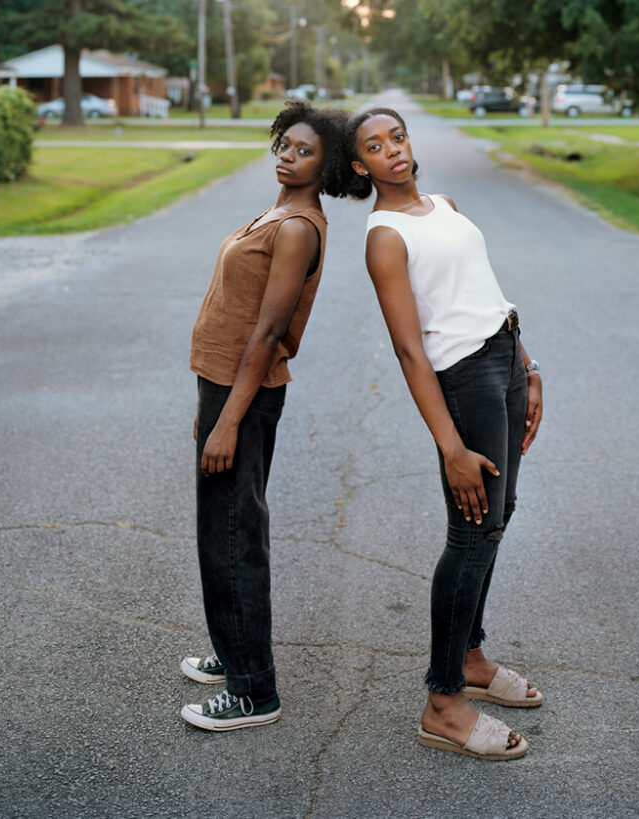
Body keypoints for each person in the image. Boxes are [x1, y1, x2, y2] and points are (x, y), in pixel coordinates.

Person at [341, 107, 544, 760]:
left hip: (505, 359)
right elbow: (409, 350)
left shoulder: (444, 203)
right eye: (374, 146)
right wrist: (450, 445)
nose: (392, 151)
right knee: (474, 529)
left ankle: (473, 656)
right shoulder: (384, 236)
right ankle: (443, 701)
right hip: (464, 379)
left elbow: (485, 287)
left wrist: (530, 368)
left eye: (396, 137)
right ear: (358, 165)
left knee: (501, 511)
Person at [180, 102, 348, 732]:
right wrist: (213, 409)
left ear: (326, 165)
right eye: (284, 144)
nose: (287, 155)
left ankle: (254, 691)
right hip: (223, 388)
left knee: (234, 536)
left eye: (304, 151)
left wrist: (227, 421)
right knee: (219, 528)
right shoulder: (278, 210)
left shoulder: (300, 225)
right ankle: (233, 655)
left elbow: (268, 330)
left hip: (242, 393)